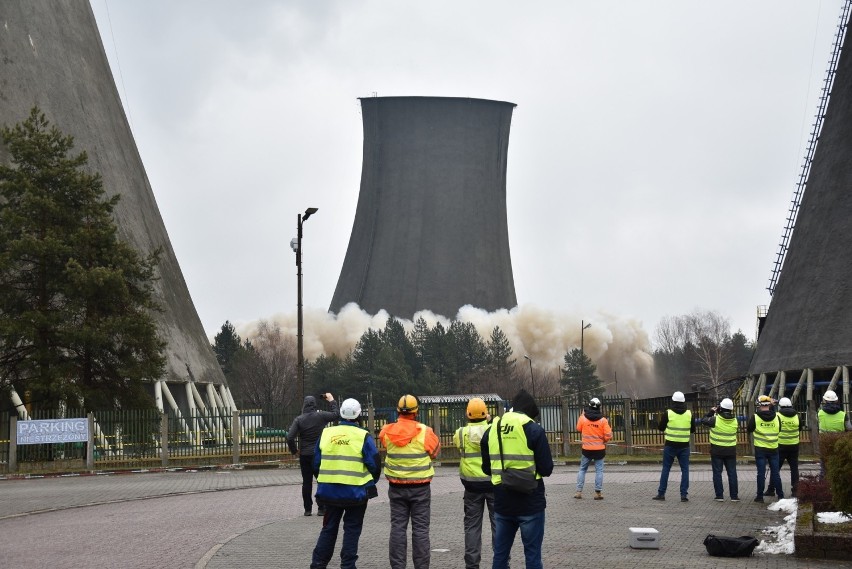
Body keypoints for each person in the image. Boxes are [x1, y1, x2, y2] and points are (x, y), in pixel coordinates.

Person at [481, 389, 553, 569]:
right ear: (529, 411)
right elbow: (546, 469)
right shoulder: (534, 429)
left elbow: (486, 468)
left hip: (503, 502)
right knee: (533, 555)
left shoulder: (492, 429)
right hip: (530, 502)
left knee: (500, 555)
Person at [311, 398, 381, 569]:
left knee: (328, 528)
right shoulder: (363, 436)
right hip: (355, 494)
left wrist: (324, 480)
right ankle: (348, 565)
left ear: (341, 413)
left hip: (329, 493)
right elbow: (374, 464)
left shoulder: (326, 434)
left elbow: (316, 463)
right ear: (359, 416)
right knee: (352, 530)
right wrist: (369, 482)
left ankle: (318, 564)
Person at [379, 394, 440, 569]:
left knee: (398, 528)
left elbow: (385, 444)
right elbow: (435, 451)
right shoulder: (425, 431)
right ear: (416, 412)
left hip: (396, 487)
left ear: (398, 411)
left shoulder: (386, 431)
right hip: (421, 488)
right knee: (420, 530)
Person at [453, 398, 498, 569]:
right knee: (498, 525)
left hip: (471, 487)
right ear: (486, 414)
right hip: (494, 484)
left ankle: (472, 565)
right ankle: (501, 562)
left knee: (472, 527)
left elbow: (457, 445)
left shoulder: (461, 433)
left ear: (467, 414)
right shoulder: (493, 430)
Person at [287, 393, 339, 516]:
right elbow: (336, 414)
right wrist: (331, 401)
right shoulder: (321, 416)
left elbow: (290, 437)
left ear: (304, 405)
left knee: (307, 482)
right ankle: (321, 508)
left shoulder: (299, 419)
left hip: (304, 454)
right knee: (321, 480)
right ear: (315, 404)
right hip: (318, 454)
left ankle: (307, 509)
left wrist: (294, 451)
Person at [652, 391, 695, 502]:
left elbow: (661, 428)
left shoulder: (668, 413)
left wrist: (667, 429)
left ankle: (661, 494)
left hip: (670, 445)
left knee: (666, 469)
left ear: (673, 401)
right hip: (684, 446)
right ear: (684, 401)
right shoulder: (689, 414)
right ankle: (684, 495)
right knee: (685, 470)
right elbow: (693, 430)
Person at [700, 397, 739, 502]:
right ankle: (734, 496)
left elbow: (703, 420)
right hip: (731, 451)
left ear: (720, 408)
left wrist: (711, 412)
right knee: (732, 473)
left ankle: (719, 496)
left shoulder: (715, 419)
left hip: (717, 450)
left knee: (717, 473)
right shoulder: (735, 420)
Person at [574, 397, 613, 500]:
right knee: (599, 471)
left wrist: (582, 415)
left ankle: (578, 492)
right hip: (599, 450)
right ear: (599, 407)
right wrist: (605, 440)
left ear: (589, 406)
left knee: (582, 469)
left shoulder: (583, 418)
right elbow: (608, 435)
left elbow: (578, 428)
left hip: (586, 449)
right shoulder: (603, 420)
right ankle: (598, 493)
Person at [748, 395, 783, 503]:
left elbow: (749, 429)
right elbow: (780, 429)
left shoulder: (755, 417)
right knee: (775, 473)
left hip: (760, 449)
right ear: (769, 405)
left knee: (761, 473)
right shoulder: (777, 417)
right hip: (773, 448)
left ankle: (759, 496)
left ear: (759, 405)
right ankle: (781, 495)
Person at [766, 397, 799, 498]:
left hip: (780, 446)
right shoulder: (796, 416)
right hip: (794, 446)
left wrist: (771, 404)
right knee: (794, 469)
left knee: (775, 469)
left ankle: (771, 489)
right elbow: (801, 427)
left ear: (780, 406)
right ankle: (795, 490)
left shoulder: (777, 416)